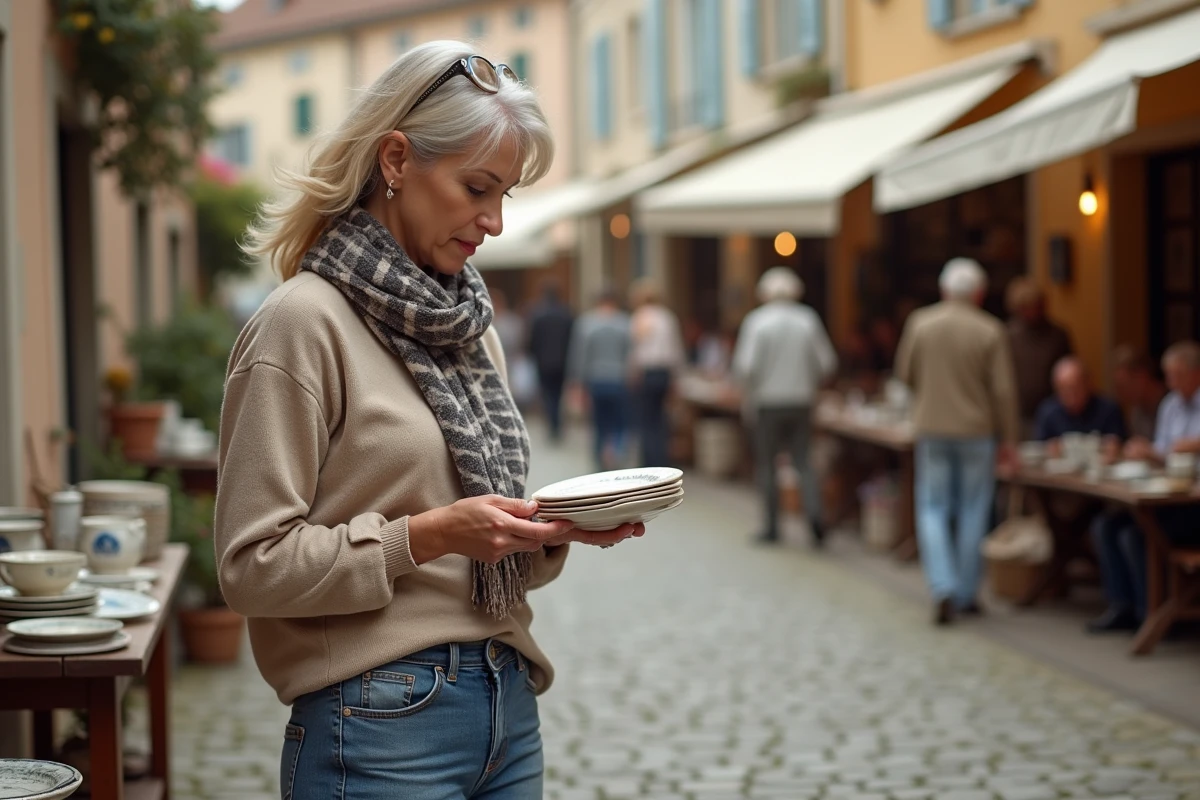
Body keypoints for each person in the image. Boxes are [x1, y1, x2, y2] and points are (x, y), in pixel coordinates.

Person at [217, 42, 644, 799]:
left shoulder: (468, 325)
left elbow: (481, 541)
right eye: (478, 187)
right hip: (376, 722)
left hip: (508, 706)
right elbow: (252, 568)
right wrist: (430, 535)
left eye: (506, 193)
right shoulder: (300, 324)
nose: (496, 222)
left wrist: (553, 528)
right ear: (395, 160)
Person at [895, 258, 1019, 626]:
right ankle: (966, 592)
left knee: (932, 507)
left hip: (932, 427)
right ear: (979, 294)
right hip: (976, 431)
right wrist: (1009, 438)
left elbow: (905, 374)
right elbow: (1003, 391)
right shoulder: (990, 330)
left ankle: (942, 586)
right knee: (973, 509)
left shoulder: (921, 323)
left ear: (944, 290)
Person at [1090, 341, 1200, 633]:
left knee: (1135, 534)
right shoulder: (1172, 404)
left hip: (1192, 504)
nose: (1170, 382)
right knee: (1107, 525)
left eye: (1177, 375)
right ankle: (1124, 607)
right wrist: (1145, 451)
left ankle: (1152, 615)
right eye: (1168, 375)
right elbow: (1164, 450)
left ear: (1196, 373)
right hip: (1170, 495)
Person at [733, 267, 837, 547]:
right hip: (802, 400)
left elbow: (746, 366)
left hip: (767, 402)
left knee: (767, 465)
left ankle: (771, 525)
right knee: (803, 461)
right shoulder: (808, 320)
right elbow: (827, 363)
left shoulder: (757, 322)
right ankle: (814, 517)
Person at [568, 289, 632, 471]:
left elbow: (579, 354)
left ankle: (599, 459)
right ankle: (618, 455)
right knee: (619, 421)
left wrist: (577, 382)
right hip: (619, 379)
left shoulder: (587, 323)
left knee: (598, 422)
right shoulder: (624, 323)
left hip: (595, 379)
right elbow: (630, 352)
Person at [1006, 277, 1073, 435]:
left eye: (1036, 305)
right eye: (1027, 307)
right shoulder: (1009, 336)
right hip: (1019, 412)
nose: (1032, 312)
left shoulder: (1057, 335)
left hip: (1053, 412)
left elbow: (1069, 370)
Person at [629, 279, 685, 467]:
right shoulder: (667, 318)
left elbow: (635, 350)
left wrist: (632, 372)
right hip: (664, 372)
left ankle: (649, 461)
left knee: (646, 419)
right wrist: (677, 377)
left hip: (646, 372)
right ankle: (662, 460)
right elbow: (676, 350)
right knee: (661, 419)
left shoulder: (640, 317)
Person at [1034, 357, 1126, 449]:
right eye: (1063, 390)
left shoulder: (1109, 410)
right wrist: (1049, 448)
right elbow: (1038, 448)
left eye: (1075, 388)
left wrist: (1115, 446)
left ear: (1088, 384)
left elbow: (1124, 445)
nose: (1070, 395)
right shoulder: (1047, 412)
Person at [527, 281, 574, 441]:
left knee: (547, 394)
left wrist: (532, 355)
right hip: (563, 362)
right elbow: (572, 340)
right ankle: (557, 424)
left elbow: (532, 341)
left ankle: (553, 425)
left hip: (543, 362)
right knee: (558, 394)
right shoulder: (566, 314)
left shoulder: (538, 315)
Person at [1111, 344, 1167, 442]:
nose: (1120, 393)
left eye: (1124, 386)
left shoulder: (1173, 404)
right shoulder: (1137, 411)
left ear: (1142, 377)